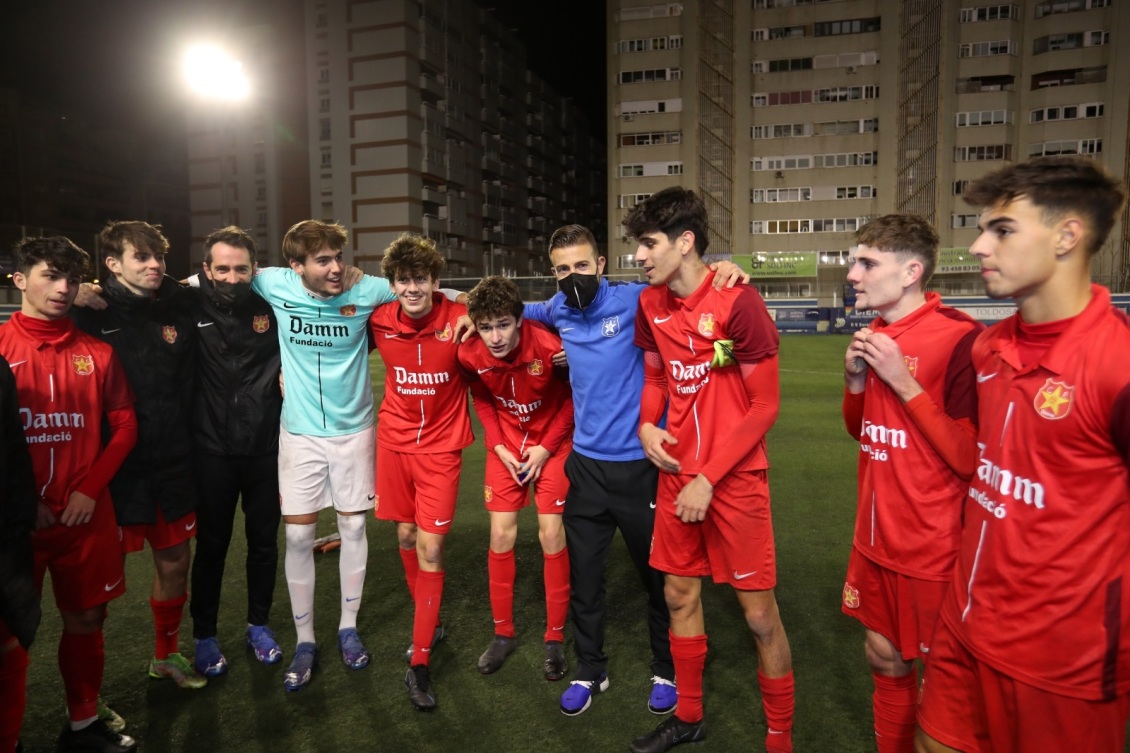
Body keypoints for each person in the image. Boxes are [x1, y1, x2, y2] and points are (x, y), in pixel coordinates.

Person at [916, 158, 1130, 753]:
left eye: (1003, 229)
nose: (979, 245)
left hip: (1062, 660)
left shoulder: (1118, 367)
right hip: (964, 623)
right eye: (982, 228)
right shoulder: (988, 347)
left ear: (1067, 235)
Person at [521, 224, 749, 717]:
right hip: (586, 468)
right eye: (562, 269)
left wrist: (726, 270)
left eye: (582, 266)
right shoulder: (557, 307)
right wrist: (460, 308)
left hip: (642, 468)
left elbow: (692, 284)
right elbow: (509, 306)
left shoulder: (638, 299)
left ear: (600, 265)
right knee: (585, 579)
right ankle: (590, 670)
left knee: (658, 580)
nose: (572, 276)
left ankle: (666, 668)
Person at [626, 187, 795, 753]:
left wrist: (709, 477)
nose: (640, 256)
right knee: (679, 596)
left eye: (648, 244)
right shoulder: (650, 305)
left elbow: (764, 406)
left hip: (734, 480)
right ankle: (689, 717)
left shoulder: (737, 301)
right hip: (677, 474)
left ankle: (779, 737)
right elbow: (654, 379)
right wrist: (648, 426)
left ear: (685, 242)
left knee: (759, 617)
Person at [840, 215, 982, 753]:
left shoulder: (962, 337)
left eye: (867, 263)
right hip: (874, 539)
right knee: (882, 655)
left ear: (910, 272)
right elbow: (862, 431)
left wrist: (903, 382)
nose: (853, 274)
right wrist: (856, 382)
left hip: (933, 547)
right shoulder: (874, 333)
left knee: (947, 689)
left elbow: (970, 457)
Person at [0, 236, 138, 752]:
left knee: (87, 617)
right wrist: (21, 499)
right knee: (9, 637)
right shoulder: (1, 348)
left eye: (71, 279)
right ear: (19, 280)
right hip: (16, 522)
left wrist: (89, 489)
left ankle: (82, 724)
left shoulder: (97, 352)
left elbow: (124, 425)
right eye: (50, 276)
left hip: (85, 514)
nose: (62, 288)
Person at [250, 219, 397, 692]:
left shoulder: (368, 288)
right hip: (299, 436)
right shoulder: (273, 282)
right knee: (298, 540)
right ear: (296, 267)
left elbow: (428, 292)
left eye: (339, 257)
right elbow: (212, 277)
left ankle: (347, 628)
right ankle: (306, 639)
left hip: (354, 433)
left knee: (353, 526)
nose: (337, 268)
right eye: (323, 261)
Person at [71, 221, 206, 691]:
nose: (153, 266)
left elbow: (243, 278)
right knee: (93, 591)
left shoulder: (179, 304)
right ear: (112, 264)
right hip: (111, 471)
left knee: (174, 564)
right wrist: (77, 293)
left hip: (173, 461)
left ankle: (165, 656)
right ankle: (87, 697)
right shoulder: (85, 313)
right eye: (140, 258)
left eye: (159, 257)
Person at [368, 234, 473, 710]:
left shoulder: (457, 319)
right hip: (392, 446)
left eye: (421, 279)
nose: (412, 288)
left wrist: (465, 302)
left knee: (431, 546)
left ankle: (420, 660)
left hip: (441, 452)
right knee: (407, 537)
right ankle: (428, 620)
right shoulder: (378, 321)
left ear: (436, 282)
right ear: (393, 283)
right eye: (404, 280)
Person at [457, 276, 574, 683]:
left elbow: (575, 398)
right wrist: (498, 446)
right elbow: (483, 399)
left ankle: (555, 637)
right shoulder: (469, 353)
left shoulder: (549, 346)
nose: (494, 336)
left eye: (503, 324)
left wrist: (546, 447)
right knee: (501, 537)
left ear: (519, 321)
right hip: (505, 448)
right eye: (486, 326)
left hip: (553, 447)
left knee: (550, 534)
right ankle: (503, 633)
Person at [186, 227, 284, 676]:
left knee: (264, 544)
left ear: (254, 270)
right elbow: (134, 294)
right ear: (206, 270)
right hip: (212, 450)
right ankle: (204, 634)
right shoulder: (186, 301)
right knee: (212, 546)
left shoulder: (272, 304)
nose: (231, 277)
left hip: (266, 447)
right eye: (221, 268)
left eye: (240, 268)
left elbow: (316, 286)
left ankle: (258, 625)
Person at [0, 353, 40, 753]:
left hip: (7, 530)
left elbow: (13, 445)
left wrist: (22, 514)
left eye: (73, 282)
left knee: (9, 641)